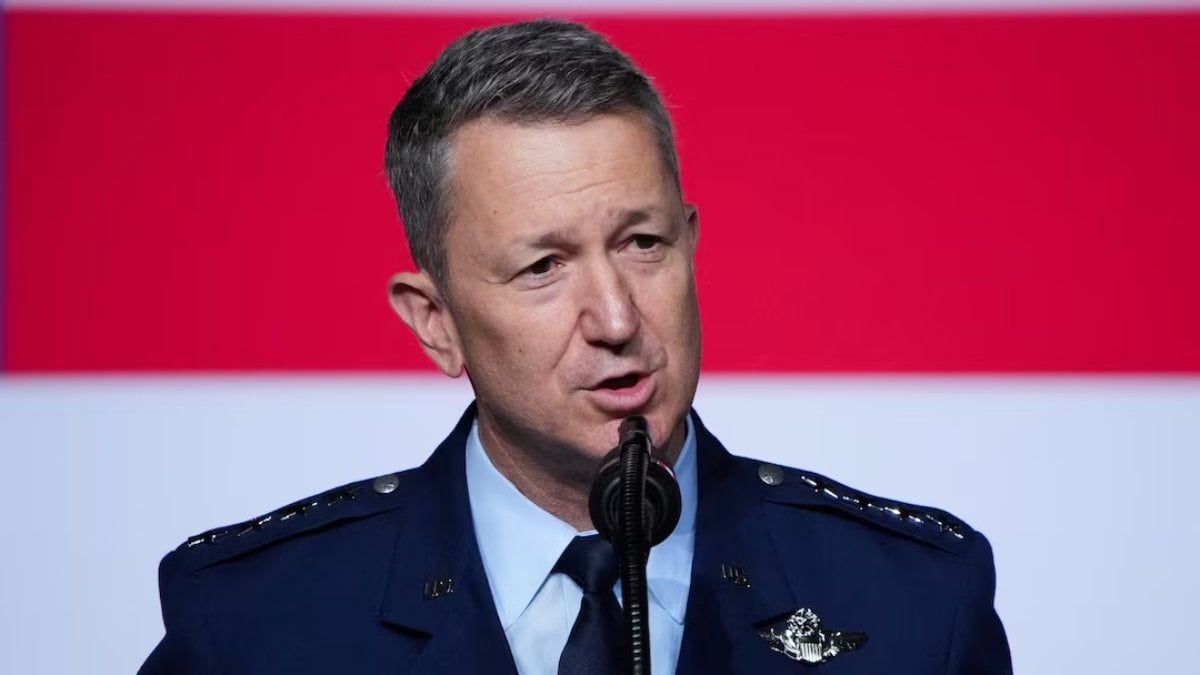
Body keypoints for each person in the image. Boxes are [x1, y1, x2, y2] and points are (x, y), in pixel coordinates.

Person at [140, 19, 1011, 674]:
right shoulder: (250, 625)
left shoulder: (915, 602)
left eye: (643, 243)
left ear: (691, 245)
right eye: (543, 266)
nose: (617, 318)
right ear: (435, 320)